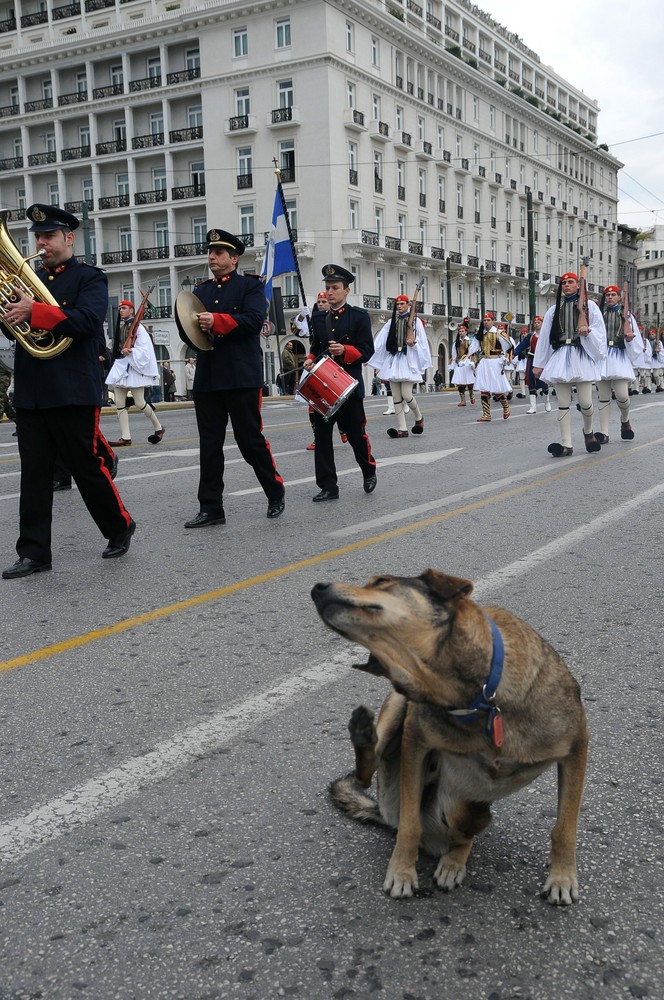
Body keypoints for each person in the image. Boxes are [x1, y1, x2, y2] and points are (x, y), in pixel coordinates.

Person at [1, 203, 134, 578]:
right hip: (32, 388)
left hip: (73, 387)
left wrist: (34, 312)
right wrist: (10, 314)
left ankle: (119, 526)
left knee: (86, 468)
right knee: (34, 474)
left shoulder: (89, 279)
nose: (42, 243)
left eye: (50, 236)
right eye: (38, 237)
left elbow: (88, 322)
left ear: (69, 238)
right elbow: (16, 330)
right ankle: (34, 552)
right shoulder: (25, 280)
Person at [180, 228, 285, 526]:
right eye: (210, 253)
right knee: (209, 446)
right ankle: (211, 508)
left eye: (219, 253)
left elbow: (253, 322)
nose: (212, 257)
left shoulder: (250, 287)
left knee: (249, 441)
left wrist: (218, 321)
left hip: (241, 377)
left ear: (234, 259)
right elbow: (189, 332)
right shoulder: (200, 291)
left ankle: (274, 490)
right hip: (209, 378)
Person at [304, 264, 377, 501]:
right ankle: (328, 486)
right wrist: (310, 359)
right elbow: (315, 348)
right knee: (323, 438)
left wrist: (345, 350)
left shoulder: (359, 316)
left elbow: (367, 351)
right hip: (323, 387)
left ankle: (368, 470)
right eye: (327, 288)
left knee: (356, 435)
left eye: (335, 288)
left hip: (348, 387)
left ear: (346, 290)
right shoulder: (319, 318)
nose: (330, 292)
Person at [532, 272, 606, 457]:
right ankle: (567, 445)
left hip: (581, 355)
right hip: (561, 355)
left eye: (570, 282)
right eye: (564, 283)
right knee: (563, 403)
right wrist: (539, 363)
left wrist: (587, 331)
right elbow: (545, 339)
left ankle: (588, 433)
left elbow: (600, 331)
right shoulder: (553, 310)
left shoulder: (590, 307)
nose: (566, 285)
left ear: (578, 286)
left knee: (586, 402)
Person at [369, 294, 431, 437]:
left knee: (406, 394)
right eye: (397, 304)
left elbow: (422, 342)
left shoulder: (415, 322)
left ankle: (419, 417)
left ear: (408, 305)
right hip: (394, 359)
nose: (399, 306)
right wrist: (369, 355)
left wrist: (413, 344)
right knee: (396, 395)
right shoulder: (391, 321)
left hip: (408, 359)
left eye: (402, 304)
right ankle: (402, 428)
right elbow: (381, 341)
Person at [106, 300, 165, 447]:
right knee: (119, 402)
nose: (121, 310)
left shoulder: (139, 328)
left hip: (134, 368)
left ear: (132, 310)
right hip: (122, 366)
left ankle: (158, 428)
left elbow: (144, 349)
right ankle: (126, 437)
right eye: (120, 308)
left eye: (124, 308)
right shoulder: (123, 327)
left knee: (139, 402)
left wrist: (132, 351)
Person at [595, 284, 641, 443]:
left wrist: (629, 339)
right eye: (607, 295)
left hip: (619, 356)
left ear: (619, 297)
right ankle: (604, 433)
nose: (610, 297)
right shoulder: (599, 314)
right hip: (603, 357)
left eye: (613, 294)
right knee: (603, 397)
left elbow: (636, 340)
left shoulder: (626, 315)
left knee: (622, 395)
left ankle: (625, 420)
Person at [469, 318, 512, 422]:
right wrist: (466, 359)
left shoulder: (499, 333)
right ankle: (486, 414)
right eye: (484, 320)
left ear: (493, 321)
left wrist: (506, 358)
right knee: (484, 388)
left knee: (497, 389)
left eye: (488, 320)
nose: (486, 322)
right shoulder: (480, 334)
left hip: (495, 362)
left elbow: (509, 347)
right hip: (484, 362)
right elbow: (472, 348)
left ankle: (506, 406)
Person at [513, 316, 551, 414]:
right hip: (532, 359)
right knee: (531, 381)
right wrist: (512, 354)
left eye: (539, 322)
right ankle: (533, 407)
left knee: (543, 381)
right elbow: (521, 346)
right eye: (535, 322)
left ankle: (547, 402)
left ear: (542, 323)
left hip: (542, 361)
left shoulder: (547, 335)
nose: (537, 324)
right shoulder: (530, 336)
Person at [449, 324, 476, 407]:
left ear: (466, 332)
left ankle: (471, 394)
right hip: (459, 363)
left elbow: (473, 353)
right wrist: (452, 363)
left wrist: (473, 362)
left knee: (469, 382)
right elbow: (454, 354)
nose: (461, 333)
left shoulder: (470, 341)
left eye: (462, 331)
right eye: (460, 331)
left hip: (467, 362)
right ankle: (463, 400)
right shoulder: (456, 342)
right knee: (460, 383)